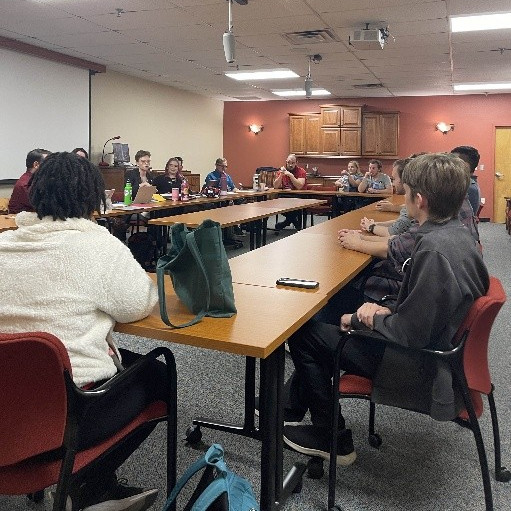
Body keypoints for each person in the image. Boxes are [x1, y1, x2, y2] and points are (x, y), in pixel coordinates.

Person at [283, 152, 489, 467]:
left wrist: (364, 318)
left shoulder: (434, 251)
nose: (401, 195)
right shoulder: (455, 236)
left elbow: (410, 333)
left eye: (404, 190)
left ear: (419, 200)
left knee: (304, 334)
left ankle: (331, 437)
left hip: (415, 365)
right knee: (329, 320)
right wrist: (383, 309)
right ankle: (296, 407)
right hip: (438, 350)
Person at [0, 152, 163, 510]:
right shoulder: (99, 247)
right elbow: (136, 305)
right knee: (157, 374)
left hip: (6, 404)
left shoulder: (3, 245)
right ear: (93, 199)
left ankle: (93, 487)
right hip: (64, 419)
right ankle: (90, 487)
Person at [359, 158, 413, 237]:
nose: (393, 184)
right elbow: (400, 223)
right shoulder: (411, 201)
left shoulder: (414, 202)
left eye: (394, 179)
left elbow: (393, 233)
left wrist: (370, 228)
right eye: (370, 168)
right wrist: (376, 224)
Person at [8, 148, 51, 214]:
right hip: (20, 221)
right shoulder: (26, 184)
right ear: (36, 165)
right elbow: (46, 206)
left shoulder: (35, 180)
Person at [273, 154, 307, 230]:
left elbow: (299, 186)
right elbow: (275, 186)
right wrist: (281, 175)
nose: (290, 165)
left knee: (295, 208)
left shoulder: (301, 171)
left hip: (299, 196)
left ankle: (286, 223)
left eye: (293, 163)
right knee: (277, 204)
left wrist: (291, 176)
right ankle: (293, 222)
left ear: (296, 163)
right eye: (289, 162)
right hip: (285, 196)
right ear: (286, 162)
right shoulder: (281, 171)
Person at [451, 145, 481, 215]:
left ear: (465, 165)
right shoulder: (462, 183)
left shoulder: (468, 187)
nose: (448, 165)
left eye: (452, 162)